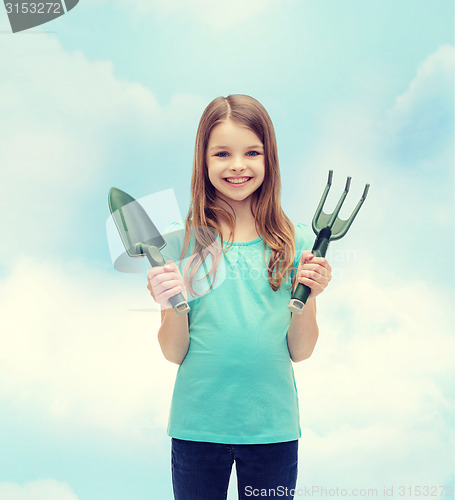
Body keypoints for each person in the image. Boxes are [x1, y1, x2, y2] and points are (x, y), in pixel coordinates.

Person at [147, 94, 332, 500]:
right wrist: (169, 302)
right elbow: (173, 352)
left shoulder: (297, 242)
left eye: (252, 152)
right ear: (204, 161)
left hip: (272, 431)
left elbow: (301, 350)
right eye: (222, 153)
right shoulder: (182, 242)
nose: (237, 165)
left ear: (270, 159)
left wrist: (311, 291)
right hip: (197, 427)